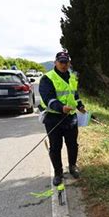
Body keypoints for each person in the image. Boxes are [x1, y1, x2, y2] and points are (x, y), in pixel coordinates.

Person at [39, 51, 86, 186]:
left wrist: (80, 106)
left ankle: (72, 167)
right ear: (55, 62)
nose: (64, 65)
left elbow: (74, 95)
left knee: (72, 145)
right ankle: (58, 173)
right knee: (55, 147)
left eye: (66, 62)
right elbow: (48, 98)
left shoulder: (72, 77)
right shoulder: (47, 78)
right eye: (61, 62)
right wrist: (61, 108)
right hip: (53, 119)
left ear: (69, 63)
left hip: (70, 118)